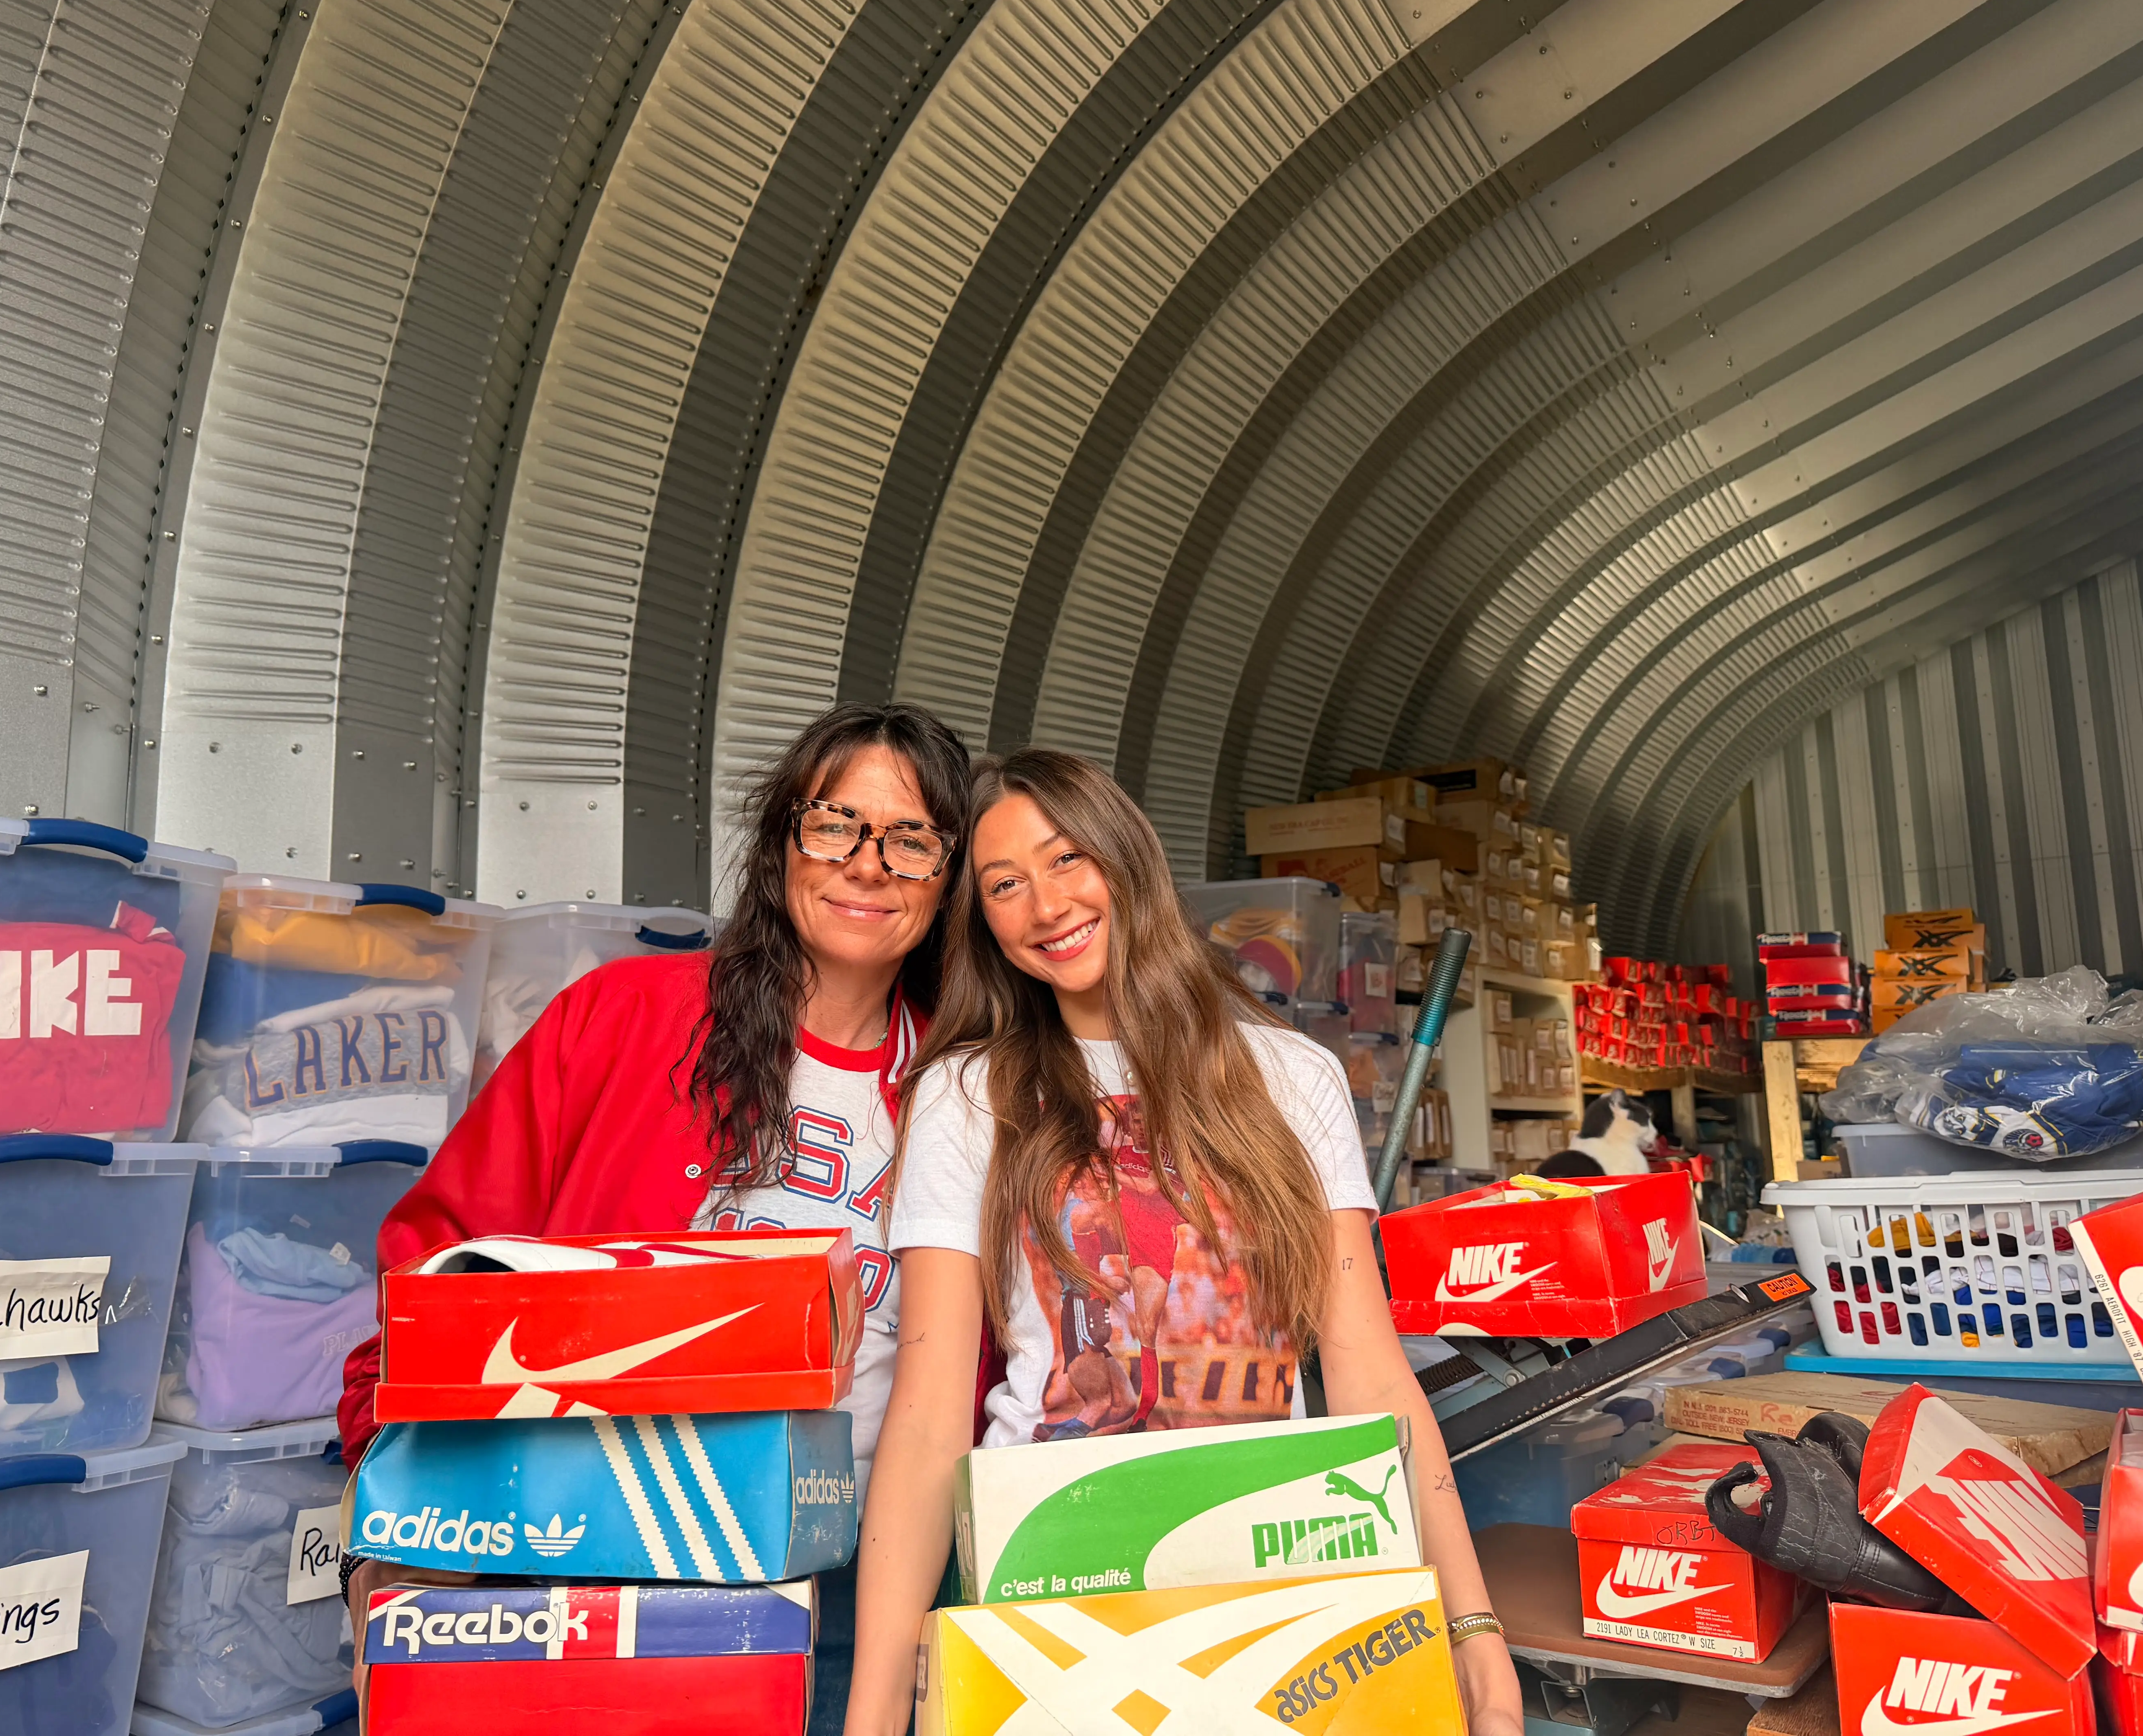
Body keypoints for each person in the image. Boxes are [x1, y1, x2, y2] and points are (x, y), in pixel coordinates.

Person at [845, 748, 1523, 1736]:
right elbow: (928, 1411)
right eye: (1004, 885)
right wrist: (871, 1720)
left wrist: (1473, 1628)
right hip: (1050, 1570)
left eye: (1068, 858)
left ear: (1127, 860)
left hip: (1277, 1565)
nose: (1046, 905)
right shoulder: (965, 1096)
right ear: (983, 919)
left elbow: (1371, 1376)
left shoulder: (1290, 1077)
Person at [335, 702, 973, 1730]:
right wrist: (393, 1539)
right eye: (835, 825)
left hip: (865, 1576)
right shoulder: (624, 1018)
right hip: (588, 1557)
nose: (868, 864)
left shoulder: (971, 1080)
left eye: (912, 841)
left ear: (950, 883)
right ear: (782, 845)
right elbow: (438, 1268)